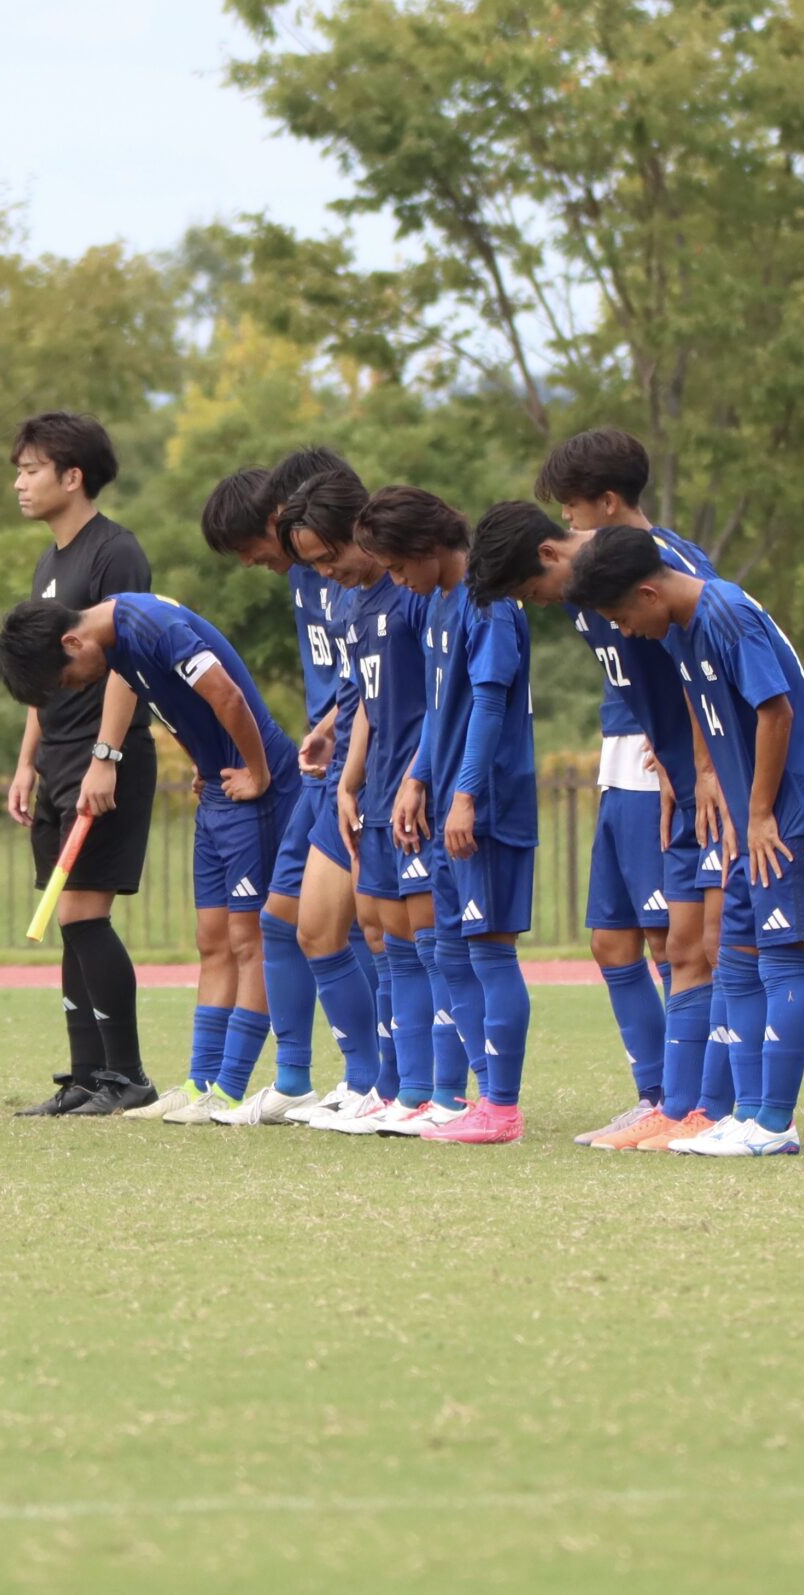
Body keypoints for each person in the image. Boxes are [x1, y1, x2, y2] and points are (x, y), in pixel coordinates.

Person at [469, 437, 726, 1149]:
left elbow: (706, 658)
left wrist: (698, 759)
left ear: (606, 504)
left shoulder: (660, 564)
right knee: (611, 940)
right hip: (628, 761)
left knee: (678, 940)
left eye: (573, 507)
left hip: (672, 773)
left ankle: (698, 1099)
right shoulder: (586, 586)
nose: (568, 519)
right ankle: (660, 1096)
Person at [568, 527, 804, 1157]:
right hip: (750, 819)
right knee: (737, 960)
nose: (625, 632)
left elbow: (776, 712)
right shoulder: (682, 628)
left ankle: (775, 1124)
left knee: (781, 962)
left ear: (649, 592)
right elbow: (711, 716)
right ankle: (746, 1116)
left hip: (789, 815)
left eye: (622, 618)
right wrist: (712, 784)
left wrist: (759, 813)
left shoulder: (726, 613)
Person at [0, 591, 301, 1124]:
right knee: (212, 939)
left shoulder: (151, 624)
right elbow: (172, 704)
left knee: (247, 939)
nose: (77, 687)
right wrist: (200, 760)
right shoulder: (116, 647)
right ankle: (201, 1082)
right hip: (218, 787)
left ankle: (230, 1089)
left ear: (72, 642)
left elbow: (227, 695)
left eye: (67, 678)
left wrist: (258, 772)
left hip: (254, 788)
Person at [198, 452, 383, 1125]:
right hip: (324, 765)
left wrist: (340, 733)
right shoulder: (309, 574)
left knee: (354, 927)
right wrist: (324, 728)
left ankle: (380, 1080)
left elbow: (375, 676)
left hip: (362, 765)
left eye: (251, 546)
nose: (254, 560)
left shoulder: (358, 571)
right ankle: (298, 1078)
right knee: (284, 920)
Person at [362, 488, 538, 1145]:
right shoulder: (436, 602)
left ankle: (504, 1106)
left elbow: (488, 706)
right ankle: (482, 1097)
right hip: (446, 804)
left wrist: (465, 795)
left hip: (487, 804)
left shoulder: (489, 606)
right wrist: (417, 778)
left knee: (489, 949)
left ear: (428, 548)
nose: (394, 579)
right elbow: (441, 711)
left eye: (397, 565)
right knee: (447, 948)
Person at [6, 412, 160, 1115]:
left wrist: (106, 755)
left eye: (31, 470)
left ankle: (126, 1075)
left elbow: (129, 658)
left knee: (83, 912)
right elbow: (40, 673)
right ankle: (86, 1075)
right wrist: (26, 762)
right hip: (57, 758)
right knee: (67, 916)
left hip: (104, 756)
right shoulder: (48, 563)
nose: (20, 483)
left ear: (73, 476)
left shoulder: (114, 553)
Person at [279, 470, 433, 1135]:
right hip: (361, 783)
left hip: (411, 787)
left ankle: (430, 1089)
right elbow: (365, 697)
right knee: (360, 930)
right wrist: (342, 765)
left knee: (415, 939)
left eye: (329, 556)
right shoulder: (349, 602)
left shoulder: (413, 595)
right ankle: (378, 1083)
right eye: (311, 564)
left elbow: (434, 699)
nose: (325, 573)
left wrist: (416, 777)